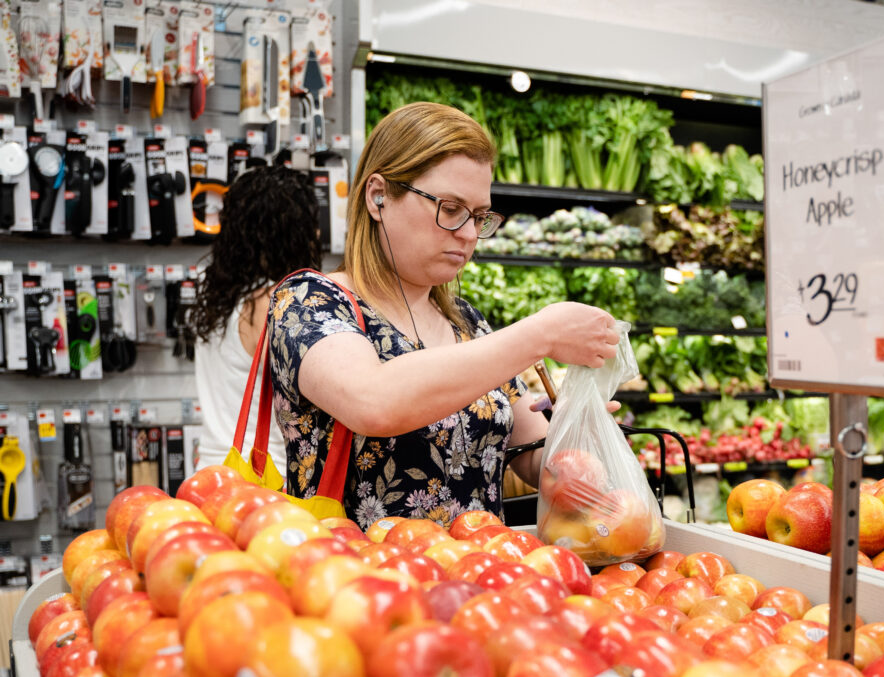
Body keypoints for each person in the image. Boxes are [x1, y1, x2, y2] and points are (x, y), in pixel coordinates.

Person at [267, 102, 619, 529]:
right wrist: (541, 333)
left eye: (479, 217)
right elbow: (373, 402)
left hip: (481, 582)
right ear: (378, 196)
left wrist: (579, 428)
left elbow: (535, 460)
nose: (470, 234)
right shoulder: (310, 300)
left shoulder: (467, 324)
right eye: (450, 209)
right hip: (358, 585)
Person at [191, 165, 323, 471]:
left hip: (212, 471)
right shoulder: (276, 303)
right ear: (294, 232)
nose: (317, 233)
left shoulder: (219, 295)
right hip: (264, 481)